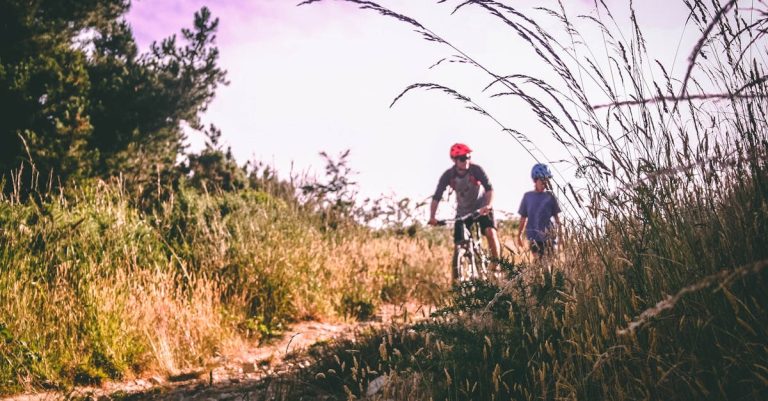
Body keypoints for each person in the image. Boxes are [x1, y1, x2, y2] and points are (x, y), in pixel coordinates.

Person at [428, 143, 501, 277]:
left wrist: (488, 205)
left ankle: (496, 266)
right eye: (462, 158)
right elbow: (437, 196)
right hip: (463, 212)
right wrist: (432, 217)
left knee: (490, 232)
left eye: (468, 157)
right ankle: (460, 272)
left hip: (482, 208)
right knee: (459, 242)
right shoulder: (448, 175)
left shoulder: (476, 170)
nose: (466, 160)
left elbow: (489, 189)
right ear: (455, 160)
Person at [516, 163, 561, 259]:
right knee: (538, 262)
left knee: (548, 264)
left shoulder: (550, 197)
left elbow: (557, 218)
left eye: (546, 181)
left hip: (549, 237)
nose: (544, 183)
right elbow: (523, 218)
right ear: (535, 180)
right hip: (534, 237)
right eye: (542, 180)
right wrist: (519, 235)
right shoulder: (528, 197)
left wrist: (561, 236)